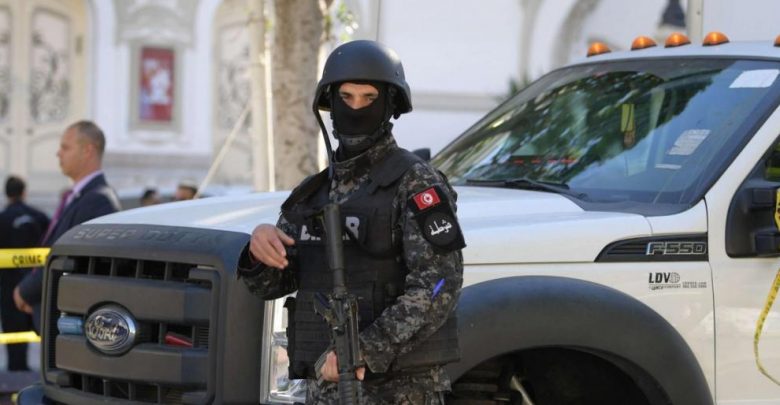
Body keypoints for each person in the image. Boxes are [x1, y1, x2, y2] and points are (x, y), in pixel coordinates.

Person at [237, 40, 465, 404]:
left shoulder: (416, 182)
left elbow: (439, 284)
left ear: (389, 105)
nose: (356, 108)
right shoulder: (313, 193)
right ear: (330, 102)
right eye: (346, 96)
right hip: (324, 392)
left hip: (401, 392)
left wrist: (366, 348)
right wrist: (259, 250)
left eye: (369, 97)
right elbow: (275, 283)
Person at [14, 120, 121, 332]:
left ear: (87, 151)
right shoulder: (82, 196)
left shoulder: (98, 200)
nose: (58, 153)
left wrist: (25, 291)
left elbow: (67, 259)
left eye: (65, 147)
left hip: (70, 324)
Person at [0, 176, 49, 370]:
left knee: (14, 336)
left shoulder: (3, 219)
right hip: (36, 284)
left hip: (8, 288)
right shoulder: (40, 217)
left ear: (6, 193)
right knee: (41, 331)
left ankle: (16, 373)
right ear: (24, 192)